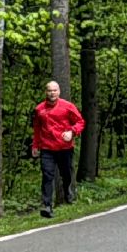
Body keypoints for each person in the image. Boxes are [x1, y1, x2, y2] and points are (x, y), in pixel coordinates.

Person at [30, 80, 85, 218]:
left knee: (66, 174)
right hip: (47, 148)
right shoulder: (39, 109)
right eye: (49, 90)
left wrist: (72, 132)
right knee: (47, 175)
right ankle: (47, 206)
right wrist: (35, 145)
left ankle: (67, 190)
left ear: (59, 92)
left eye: (54, 90)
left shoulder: (68, 106)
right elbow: (37, 129)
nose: (52, 93)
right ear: (46, 92)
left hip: (64, 147)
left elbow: (80, 122)